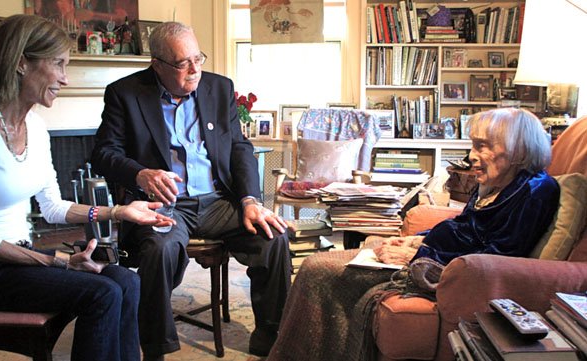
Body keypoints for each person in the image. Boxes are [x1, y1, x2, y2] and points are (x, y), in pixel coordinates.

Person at [0, 15, 174, 361]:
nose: (65, 77)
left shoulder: (35, 125)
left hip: (17, 258)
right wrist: (60, 262)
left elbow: (51, 206)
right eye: (59, 64)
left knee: (127, 281)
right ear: (21, 63)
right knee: (102, 293)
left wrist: (119, 212)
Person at [267, 108, 560, 361]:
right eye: (473, 145)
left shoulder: (535, 190)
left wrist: (418, 255)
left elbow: (499, 256)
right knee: (313, 266)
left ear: (518, 149)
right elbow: (463, 227)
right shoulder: (496, 185)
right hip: (425, 254)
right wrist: (417, 238)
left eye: (482, 146)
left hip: (439, 270)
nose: (472, 156)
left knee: (318, 269)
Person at [90, 21, 292, 360]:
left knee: (273, 237)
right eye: (184, 63)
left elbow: (239, 147)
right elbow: (103, 154)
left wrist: (250, 200)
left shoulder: (219, 88)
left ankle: (270, 336)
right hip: (165, 203)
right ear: (157, 64)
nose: (195, 69)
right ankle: (155, 346)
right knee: (159, 247)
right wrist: (140, 175)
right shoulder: (125, 93)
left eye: (198, 58)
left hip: (218, 201)